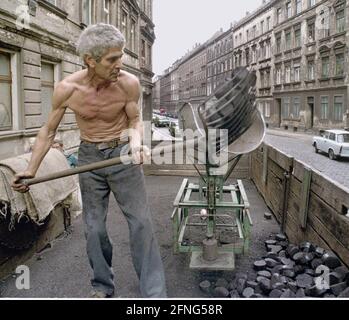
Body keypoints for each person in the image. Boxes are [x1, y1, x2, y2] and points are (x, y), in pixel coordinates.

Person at [12, 23, 167, 298]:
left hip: (122, 156)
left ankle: (154, 292)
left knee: (141, 223)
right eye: (112, 59)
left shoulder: (128, 84)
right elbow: (48, 131)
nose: (119, 63)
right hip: (89, 158)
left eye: (120, 56)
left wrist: (136, 145)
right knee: (94, 228)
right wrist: (31, 170)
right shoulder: (67, 89)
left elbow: (134, 120)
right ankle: (102, 286)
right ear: (90, 60)